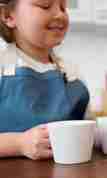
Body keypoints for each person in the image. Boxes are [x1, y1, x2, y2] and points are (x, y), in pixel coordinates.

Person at [0, 0, 90, 160]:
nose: (60, 14)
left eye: (63, 7)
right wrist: (18, 144)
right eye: (45, 5)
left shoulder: (72, 74)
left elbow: (88, 130)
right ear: (8, 16)